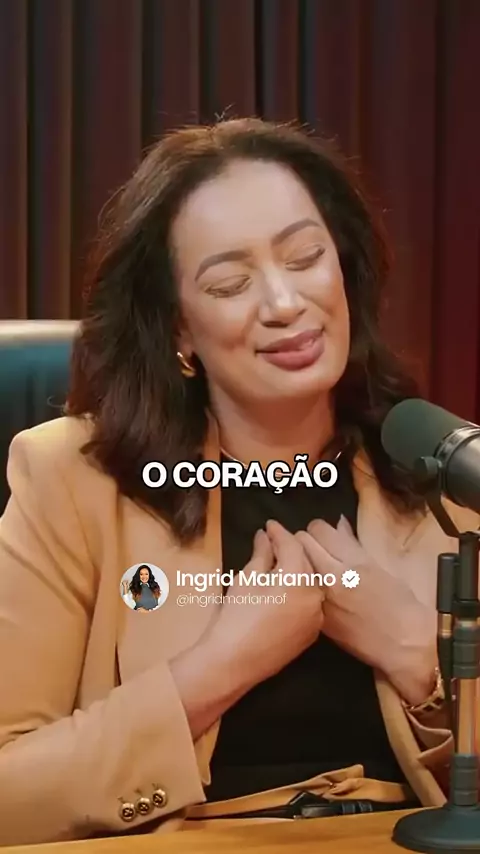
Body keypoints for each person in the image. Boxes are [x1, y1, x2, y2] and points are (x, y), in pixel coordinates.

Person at [0, 117, 475, 845]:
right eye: (230, 284)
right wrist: (218, 668)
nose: (285, 304)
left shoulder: (443, 472)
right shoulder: (72, 480)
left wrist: (418, 656)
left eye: (306, 257)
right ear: (179, 331)